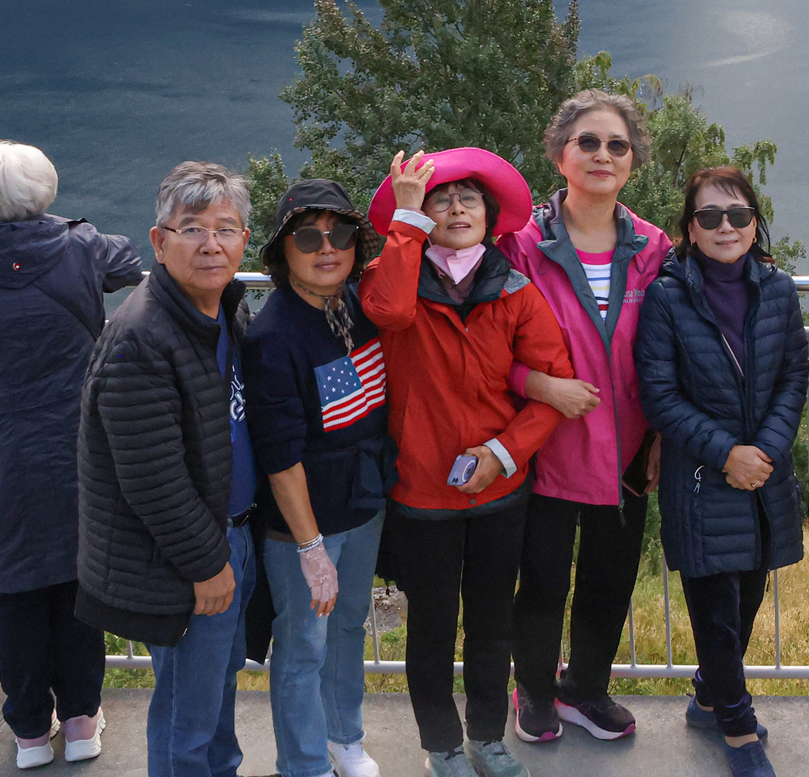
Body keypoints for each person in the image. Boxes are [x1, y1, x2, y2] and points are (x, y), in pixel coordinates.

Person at [360, 148, 574, 777]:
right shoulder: (393, 273)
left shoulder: (515, 290)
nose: (455, 208)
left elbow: (555, 385)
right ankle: (441, 746)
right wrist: (404, 221)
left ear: (491, 216)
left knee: (490, 623)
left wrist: (502, 453)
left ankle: (487, 736)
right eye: (440, 199)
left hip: (498, 490)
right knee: (429, 628)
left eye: (469, 199)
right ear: (420, 214)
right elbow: (388, 312)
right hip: (420, 492)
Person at [0, 141, 141, 769]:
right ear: (44, 196)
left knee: (15, 592)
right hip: (75, 449)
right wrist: (53, 227)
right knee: (79, 587)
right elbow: (129, 260)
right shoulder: (80, 249)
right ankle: (81, 720)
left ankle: (29, 732)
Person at [502, 91, 673, 745]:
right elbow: (488, 350)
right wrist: (540, 385)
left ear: (632, 161)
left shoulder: (652, 248)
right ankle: (536, 690)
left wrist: (658, 434)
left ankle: (586, 689)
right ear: (559, 153)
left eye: (617, 145)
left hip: (627, 449)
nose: (603, 155)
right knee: (542, 579)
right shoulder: (521, 245)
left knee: (609, 579)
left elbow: (665, 354)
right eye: (588, 143)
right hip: (546, 443)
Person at [76, 162, 258, 777]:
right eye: (192, 229)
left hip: (229, 537)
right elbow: (151, 476)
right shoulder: (142, 337)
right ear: (158, 241)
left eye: (226, 229)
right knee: (188, 716)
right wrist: (207, 565)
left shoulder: (220, 313)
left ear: (244, 240)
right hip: (186, 560)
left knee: (216, 700)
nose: (212, 244)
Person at [635, 166, 809, 777]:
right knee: (715, 609)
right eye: (709, 217)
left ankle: (710, 696)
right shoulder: (667, 295)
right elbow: (659, 394)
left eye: (737, 215)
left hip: (764, 475)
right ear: (689, 228)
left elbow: (794, 376)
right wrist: (726, 453)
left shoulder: (778, 288)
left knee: (749, 598)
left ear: (756, 223)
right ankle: (737, 730)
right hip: (705, 479)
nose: (725, 227)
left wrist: (763, 449)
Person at [243, 180, 394, 777]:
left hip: (362, 503)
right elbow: (279, 456)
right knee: (303, 647)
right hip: (304, 523)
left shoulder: (358, 305)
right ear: (283, 253)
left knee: (350, 627)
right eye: (309, 237)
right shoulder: (274, 336)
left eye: (342, 235)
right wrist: (310, 549)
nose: (327, 248)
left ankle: (343, 737)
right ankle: (302, 764)